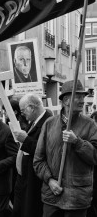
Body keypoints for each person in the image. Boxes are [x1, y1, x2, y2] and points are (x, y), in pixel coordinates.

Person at [33, 80, 97, 217]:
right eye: (78, 97)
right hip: (52, 197)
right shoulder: (49, 124)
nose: (82, 100)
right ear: (67, 100)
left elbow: (95, 157)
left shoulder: (90, 125)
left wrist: (77, 142)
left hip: (77, 199)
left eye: (83, 97)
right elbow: (38, 160)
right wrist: (50, 180)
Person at [12, 93, 53, 217]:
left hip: (35, 179)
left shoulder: (48, 122)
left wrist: (26, 140)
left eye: (23, 110)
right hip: (24, 177)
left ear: (31, 108)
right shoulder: (33, 121)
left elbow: (48, 151)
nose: (22, 113)